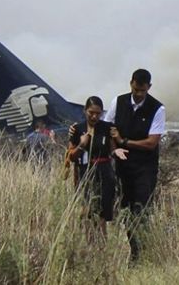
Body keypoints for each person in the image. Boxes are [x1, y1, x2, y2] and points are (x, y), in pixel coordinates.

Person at [103, 69, 166, 260]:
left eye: (143, 91)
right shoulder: (118, 102)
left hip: (145, 168)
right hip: (123, 167)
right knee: (126, 208)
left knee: (141, 208)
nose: (138, 94)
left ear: (149, 88)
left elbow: (151, 142)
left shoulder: (157, 109)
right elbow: (109, 128)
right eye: (136, 89)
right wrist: (115, 149)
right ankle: (134, 250)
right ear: (131, 83)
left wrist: (124, 142)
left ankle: (141, 252)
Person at [68, 96, 128, 233]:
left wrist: (116, 151)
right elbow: (70, 156)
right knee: (87, 211)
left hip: (104, 173)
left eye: (98, 113)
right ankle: (89, 245)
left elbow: (112, 149)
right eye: (91, 112)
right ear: (85, 111)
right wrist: (82, 145)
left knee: (101, 212)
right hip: (85, 172)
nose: (94, 116)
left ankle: (101, 246)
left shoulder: (107, 128)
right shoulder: (77, 129)